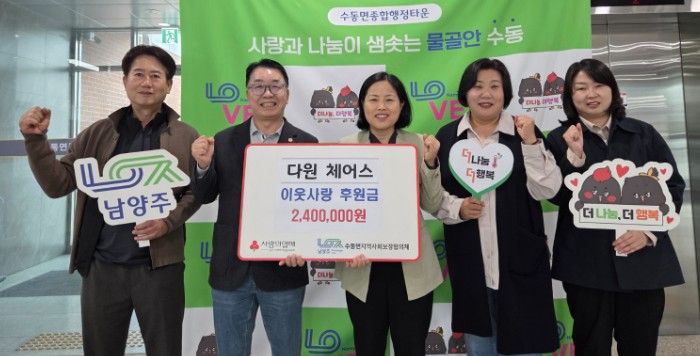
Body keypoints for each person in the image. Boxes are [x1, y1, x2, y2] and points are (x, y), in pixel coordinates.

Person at [18, 45, 199, 356]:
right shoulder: (98, 133)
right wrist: (36, 141)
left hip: (160, 268)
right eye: (138, 74)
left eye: (156, 76)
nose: (147, 82)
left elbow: (196, 191)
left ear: (169, 85)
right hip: (102, 267)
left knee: (165, 349)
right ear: (125, 81)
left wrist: (168, 222)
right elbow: (58, 184)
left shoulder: (185, 136)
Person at [544, 58, 684, 356]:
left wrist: (648, 232)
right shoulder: (558, 139)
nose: (591, 94)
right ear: (570, 95)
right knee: (591, 347)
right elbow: (556, 196)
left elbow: (672, 187)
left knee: (640, 346)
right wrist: (575, 157)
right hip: (586, 266)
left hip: (642, 263)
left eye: (598, 85)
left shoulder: (643, 133)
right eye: (581, 88)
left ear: (613, 90)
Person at [191, 58, 318, 356]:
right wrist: (202, 166)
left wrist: (304, 245)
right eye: (258, 86)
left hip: (284, 269)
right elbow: (205, 195)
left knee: (287, 351)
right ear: (247, 94)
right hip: (230, 270)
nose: (267, 93)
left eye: (275, 86)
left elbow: (313, 207)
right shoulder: (223, 140)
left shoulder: (307, 143)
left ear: (287, 93)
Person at [434, 58, 560, 356]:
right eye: (477, 86)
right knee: (480, 344)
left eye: (495, 86)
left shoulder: (524, 132)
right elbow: (433, 196)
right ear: (465, 93)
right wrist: (458, 208)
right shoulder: (447, 137)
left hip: (520, 258)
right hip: (471, 261)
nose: (486, 94)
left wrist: (531, 143)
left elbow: (547, 189)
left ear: (506, 93)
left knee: (525, 344)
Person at [334, 72, 444, 356]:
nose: (381, 107)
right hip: (362, 270)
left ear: (402, 105)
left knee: (411, 349)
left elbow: (433, 203)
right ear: (362, 105)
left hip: (412, 271)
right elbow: (335, 210)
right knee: (368, 348)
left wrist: (431, 162)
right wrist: (344, 247)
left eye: (389, 100)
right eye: (373, 99)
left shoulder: (419, 143)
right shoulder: (345, 147)